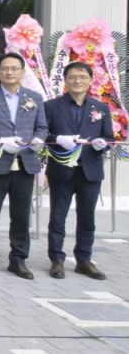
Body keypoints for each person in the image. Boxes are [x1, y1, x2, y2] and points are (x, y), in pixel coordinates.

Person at [0, 53, 48, 279]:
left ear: (22, 72)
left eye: (14, 68)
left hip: (25, 163)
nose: (9, 72)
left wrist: (38, 139)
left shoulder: (34, 98)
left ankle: (19, 259)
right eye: (5, 68)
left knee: (21, 213)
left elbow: (42, 127)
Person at [44, 61, 113, 280]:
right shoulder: (51, 106)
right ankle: (56, 259)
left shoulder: (100, 108)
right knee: (58, 217)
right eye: (72, 77)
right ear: (65, 80)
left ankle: (84, 259)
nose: (77, 81)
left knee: (87, 218)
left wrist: (103, 143)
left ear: (90, 80)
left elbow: (109, 137)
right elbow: (43, 135)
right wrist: (58, 139)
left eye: (82, 77)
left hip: (90, 170)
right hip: (61, 169)